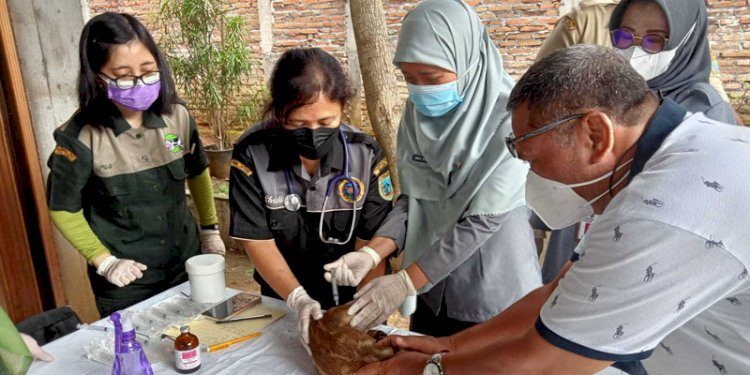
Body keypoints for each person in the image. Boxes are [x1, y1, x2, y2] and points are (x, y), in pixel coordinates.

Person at [355, 44, 750, 375]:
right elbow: (561, 290)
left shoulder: (661, 208)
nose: (532, 177)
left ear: (595, 134)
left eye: (532, 159)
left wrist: (427, 369)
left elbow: (539, 363)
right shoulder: (679, 155)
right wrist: (450, 345)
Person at [339, 0, 542, 337]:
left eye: (432, 77)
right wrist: (373, 253)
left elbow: (481, 222)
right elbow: (414, 199)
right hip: (431, 290)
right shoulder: (417, 114)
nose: (421, 89)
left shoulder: (513, 119)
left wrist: (404, 281)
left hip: (490, 288)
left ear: (467, 61)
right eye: (409, 77)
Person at [535, 0, 741, 286]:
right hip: (576, 249)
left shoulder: (706, 112)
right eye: (624, 36)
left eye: (654, 40)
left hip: (644, 275)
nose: (635, 49)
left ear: (686, 40)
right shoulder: (601, 92)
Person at [47, 12, 225, 317]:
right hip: (129, 280)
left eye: (148, 70)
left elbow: (196, 171)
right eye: (125, 76)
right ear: (98, 78)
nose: (140, 82)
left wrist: (210, 229)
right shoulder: (81, 138)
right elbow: (63, 208)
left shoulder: (176, 116)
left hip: (186, 260)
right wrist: (104, 261)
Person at [228, 47, 406, 351]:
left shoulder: (365, 154)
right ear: (279, 112)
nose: (313, 133)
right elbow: (256, 239)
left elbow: (371, 240)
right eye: (298, 124)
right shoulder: (252, 153)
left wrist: (361, 312)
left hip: (349, 297)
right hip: (280, 297)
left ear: (342, 109)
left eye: (326, 122)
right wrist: (297, 299)